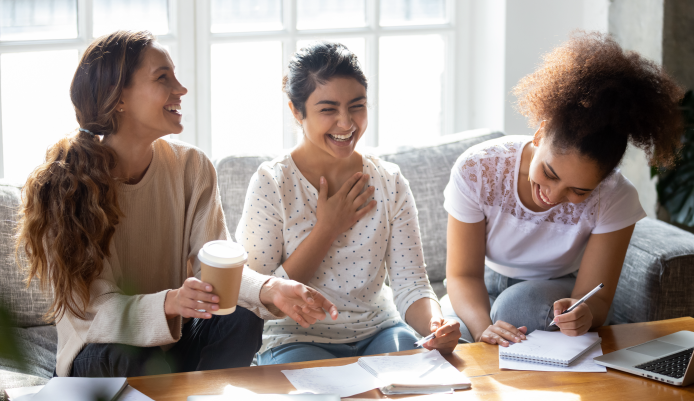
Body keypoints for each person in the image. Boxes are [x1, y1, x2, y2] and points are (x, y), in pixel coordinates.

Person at [16, 30, 337, 378]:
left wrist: (270, 288)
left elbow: (213, 270)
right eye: (162, 78)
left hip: (170, 349)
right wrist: (171, 302)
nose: (181, 89)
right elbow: (96, 314)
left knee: (242, 317)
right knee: (124, 356)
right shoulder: (65, 187)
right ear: (118, 98)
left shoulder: (191, 167)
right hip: (100, 353)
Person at [440, 31, 685, 346]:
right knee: (446, 329)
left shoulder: (615, 197)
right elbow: (462, 276)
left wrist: (582, 313)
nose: (553, 197)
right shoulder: (479, 169)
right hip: (483, 282)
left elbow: (595, 300)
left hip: (551, 289)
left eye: (579, 192)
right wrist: (480, 328)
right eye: (550, 173)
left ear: (604, 179)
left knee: (518, 308)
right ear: (540, 134)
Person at [237, 42, 461, 365]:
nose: (346, 123)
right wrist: (326, 229)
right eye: (328, 109)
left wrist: (435, 324)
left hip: (382, 331)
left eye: (357, 106)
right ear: (296, 111)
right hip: (295, 339)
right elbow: (258, 297)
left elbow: (412, 284)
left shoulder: (389, 181)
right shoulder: (272, 183)